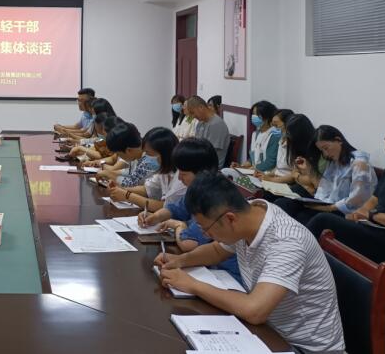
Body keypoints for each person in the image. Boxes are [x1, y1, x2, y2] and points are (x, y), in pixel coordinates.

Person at [157, 173, 345, 353]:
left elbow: (255, 311)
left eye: (207, 229)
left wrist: (193, 285)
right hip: (269, 333)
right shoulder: (249, 215)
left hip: (302, 347)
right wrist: (179, 261)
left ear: (230, 219)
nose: (207, 235)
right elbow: (216, 251)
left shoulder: (287, 241)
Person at [141, 138, 241, 283]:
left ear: (202, 173)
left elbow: (188, 243)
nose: (179, 178)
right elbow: (176, 208)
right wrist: (155, 217)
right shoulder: (197, 189)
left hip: (225, 276)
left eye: (183, 174)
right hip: (212, 267)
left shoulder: (211, 198)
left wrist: (179, 226)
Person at [306, 120, 385, 265]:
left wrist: (372, 215)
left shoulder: (359, 162)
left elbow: (361, 202)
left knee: (324, 220)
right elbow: (373, 199)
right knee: (302, 211)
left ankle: (294, 261)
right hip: (372, 226)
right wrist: (360, 213)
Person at [275, 124, 377, 225]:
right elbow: (324, 189)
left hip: (345, 211)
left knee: (302, 216)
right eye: (322, 150)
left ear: (338, 140)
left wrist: (328, 208)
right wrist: (308, 171)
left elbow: (357, 199)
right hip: (329, 204)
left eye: (326, 148)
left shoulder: (360, 163)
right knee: (285, 201)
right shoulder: (334, 161)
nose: (325, 154)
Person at [107, 127, 183, 211]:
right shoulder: (164, 171)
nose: (145, 156)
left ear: (164, 153)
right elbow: (147, 189)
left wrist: (127, 195)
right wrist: (120, 189)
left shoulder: (181, 175)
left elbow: (166, 207)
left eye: (148, 152)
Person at [257, 114, 321, 197]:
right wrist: (267, 175)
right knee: (262, 193)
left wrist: (272, 179)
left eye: (277, 125)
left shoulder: (314, 150)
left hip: (302, 188)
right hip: (298, 186)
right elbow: (295, 173)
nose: (288, 136)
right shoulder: (294, 146)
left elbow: (310, 180)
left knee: (278, 200)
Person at [232, 100, 280, 172]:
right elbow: (252, 159)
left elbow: (270, 163)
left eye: (257, 115)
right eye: (253, 114)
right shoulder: (255, 134)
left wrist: (251, 169)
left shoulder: (275, 135)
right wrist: (241, 166)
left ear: (266, 117)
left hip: (267, 174)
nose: (254, 117)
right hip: (254, 171)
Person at [188, 95, 230, 168]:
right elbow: (196, 145)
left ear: (201, 107)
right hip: (200, 161)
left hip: (210, 166)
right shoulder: (200, 123)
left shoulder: (216, 124)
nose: (193, 116)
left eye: (193, 113)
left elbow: (210, 152)